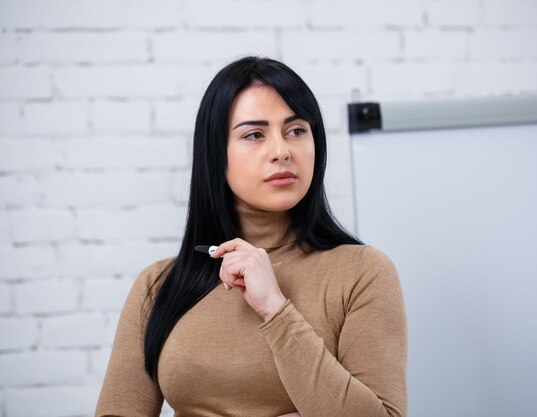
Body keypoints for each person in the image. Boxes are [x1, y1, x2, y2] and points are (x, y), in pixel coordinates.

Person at [95, 56, 407, 417]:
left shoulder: (363, 272)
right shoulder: (159, 285)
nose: (281, 151)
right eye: (254, 134)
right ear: (216, 154)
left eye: (296, 130)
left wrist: (275, 308)